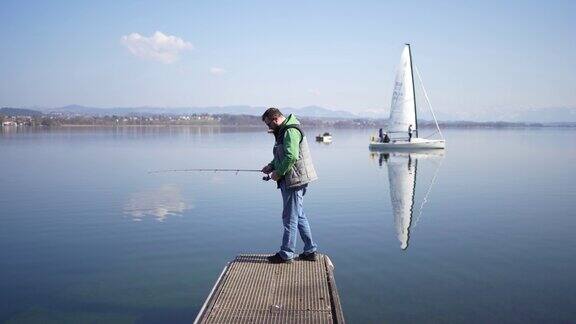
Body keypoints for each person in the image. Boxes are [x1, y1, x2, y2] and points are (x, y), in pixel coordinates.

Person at [261, 108, 318, 264]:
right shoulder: (284, 130)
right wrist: (271, 166)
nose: (268, 127)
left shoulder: (290, 131)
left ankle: (286, 254)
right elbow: (283, 154)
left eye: (268, 124)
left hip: (294, 180)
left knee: (289, 218)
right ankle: (310, 250)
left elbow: (292, 156)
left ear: (275, 119)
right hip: (294, 178)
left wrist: (278, 173)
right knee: (298, 215)